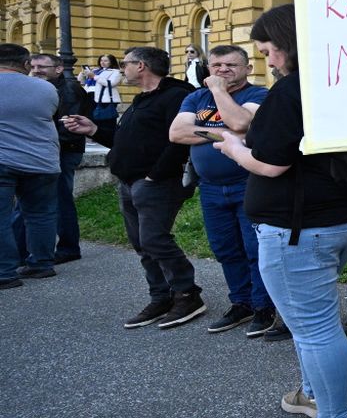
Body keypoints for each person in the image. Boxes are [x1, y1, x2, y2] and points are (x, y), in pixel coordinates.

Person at [214, 5, 347, 418]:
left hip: (300, 228)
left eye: (268, 50)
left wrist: (233, 149)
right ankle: (312, 391)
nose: (268, 60)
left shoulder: (291, 91)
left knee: (314, 325)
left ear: (288, 44)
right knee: (309, 317)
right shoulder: (346, 81)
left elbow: (270, 163)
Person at [63, 48, 201, 328]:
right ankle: (161, 296)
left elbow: (180, 140)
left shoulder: (175, 96)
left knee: (154, 240)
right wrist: (93, 130)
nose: (121, 69)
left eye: (125, 64)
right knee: (141, 243)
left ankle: (188, 294)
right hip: (129, 182)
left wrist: (154, 176)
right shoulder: (142, 98)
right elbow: (125, 140)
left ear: (141, 66)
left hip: (157, 183)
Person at [168, 45, 276, 336]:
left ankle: (264, 306)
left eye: (231, 65)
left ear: (247, 69)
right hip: (211, 188)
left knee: (255, 249)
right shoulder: (195, 97)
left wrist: (218, 91)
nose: (222, 70)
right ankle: (241, 303)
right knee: (225, 249)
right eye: (216, 65)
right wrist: (227, 133)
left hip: (248, 184)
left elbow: (242, 122)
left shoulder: (258, 94)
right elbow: (177, 133)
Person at [12, 53, 89, 265]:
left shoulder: (69, 89)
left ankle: (68, 248)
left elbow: (70, 127)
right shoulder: (38, 88)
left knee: (59, 199)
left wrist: (43, 145)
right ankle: (18, 252)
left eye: (42, 67)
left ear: (58, 68)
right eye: (33, 66)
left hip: (62, 151)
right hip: (43, 151)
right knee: (28, 202)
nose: (36, 70)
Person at [0, 44, 60, 290]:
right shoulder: (47, 88)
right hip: (42, 160)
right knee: (41, 214)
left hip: (3, 159)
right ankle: (42, 264)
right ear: (25, 64)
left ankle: (4, 272)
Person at [81, 54, 123, 130]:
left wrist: (94, 76)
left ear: (111, 62)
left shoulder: (116, 72)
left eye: (105, 61)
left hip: (104, 99)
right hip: (90, 96)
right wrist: (83, 74)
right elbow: (84, 82)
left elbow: (111, 83)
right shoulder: (95, 71)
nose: (102, 62)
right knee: (92, 119)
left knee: (106, 120)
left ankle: (108, 134)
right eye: (101, 60)